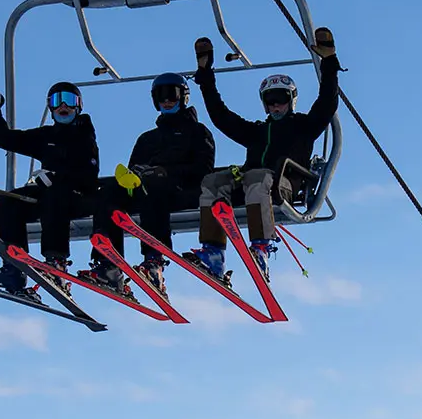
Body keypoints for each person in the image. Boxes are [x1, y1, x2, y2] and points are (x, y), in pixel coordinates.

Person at [186, 26, 339, 279]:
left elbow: (327, 103)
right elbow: (221, 117)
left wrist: (330, 62)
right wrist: (205, 76)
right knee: (213, 181)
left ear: (291, 100)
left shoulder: (304, 126)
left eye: (281, 98)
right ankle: (213, 252)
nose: (276, 105)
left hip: (285, 183)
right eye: (270, 100)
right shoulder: (256, 131)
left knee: (258, 178)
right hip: (254, 182)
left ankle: (261, 248)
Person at [84, 72, 216, 298]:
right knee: (108, 192)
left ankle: (154, 260)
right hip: (143, 189)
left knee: (154, 186)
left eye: (172, 95)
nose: (166, 101)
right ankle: (109, 265)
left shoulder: (197, 132)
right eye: (161, 96)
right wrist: (130, 176)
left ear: (183, 97)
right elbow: (134, 166)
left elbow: (204, 168)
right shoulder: (147, 138)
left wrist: (166, 172)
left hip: (180, 189)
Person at [0, 81, 98, 296]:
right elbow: (7, 140)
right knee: (11, 200)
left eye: (69, 100)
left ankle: (56, 261)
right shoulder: (45, 137)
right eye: (57, 101)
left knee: (56, 194)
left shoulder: (84, 136)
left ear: (79, 105)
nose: (63, 105)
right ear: (50, 106)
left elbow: (88, 172)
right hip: (46, 193)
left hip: (76, 195)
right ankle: (14, 267)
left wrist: (58, 177)